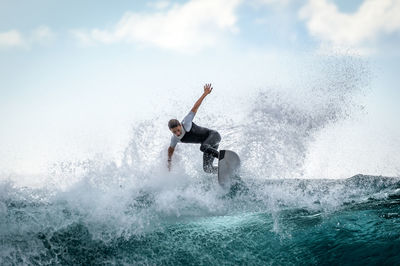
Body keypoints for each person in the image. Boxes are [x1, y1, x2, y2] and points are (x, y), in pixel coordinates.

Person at [167, 83, 221, 173]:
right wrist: (169, 162)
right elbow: (170, 149)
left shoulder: (186, 122)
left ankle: (224, 158)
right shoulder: (174, 139)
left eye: (178, 130)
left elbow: (195, 107)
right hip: (210, 146)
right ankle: (223, 171)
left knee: (203, 147)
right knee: (207, 169)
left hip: (214, 136)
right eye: (174, 132)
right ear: (171, 131)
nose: (177, 133)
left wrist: (205, 93)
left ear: (180, 125)